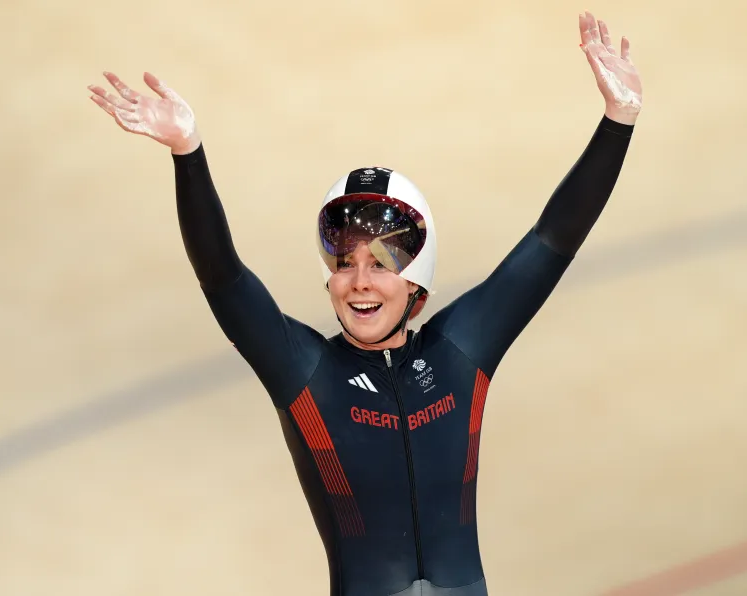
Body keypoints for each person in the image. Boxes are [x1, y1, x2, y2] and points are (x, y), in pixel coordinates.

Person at [88, 11, 641, 596]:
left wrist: (619, 119)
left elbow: (553, 240)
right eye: (344, 264)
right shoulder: (305, 370)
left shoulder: (461, 351)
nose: (358, 282)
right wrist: (188, 151)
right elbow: (222, 276)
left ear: (415, 282)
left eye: (379, 265)